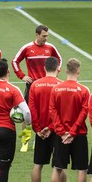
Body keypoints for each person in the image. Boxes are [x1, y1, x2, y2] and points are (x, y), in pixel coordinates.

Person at [26, 57, 70, 182]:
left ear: (45, 68)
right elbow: (62, 111)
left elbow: (32, 108)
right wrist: (51, 128)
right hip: (57, 131)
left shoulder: (35, 85)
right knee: (60, 166)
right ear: (58, 68)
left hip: (40, 132)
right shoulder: (62, 85)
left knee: (38, 164)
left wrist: (38, 129)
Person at [48, 58, 91, 182]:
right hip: (78, 135)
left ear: (66, 71)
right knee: (81, 170)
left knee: (57, 168)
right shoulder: (84, 90)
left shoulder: (56, 89)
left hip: (61, 136)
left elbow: (52, 111)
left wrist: (61, 132)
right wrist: (72, 132)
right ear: (78, 71)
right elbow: (84, 113)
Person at [12, 25, 62, 153]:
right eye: (44, 36)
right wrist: (22, 76)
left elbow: (59, 59)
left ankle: (37, 139)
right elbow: (15, 61)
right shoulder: (27, 48)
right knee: (26, 112)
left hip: (49, 85)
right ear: (37, 35)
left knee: (46, 111)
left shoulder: (50, 48)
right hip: (33, 85)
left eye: (47, 36)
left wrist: (56, 73)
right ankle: (25, 141)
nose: (46, 38)